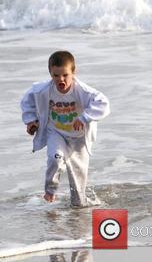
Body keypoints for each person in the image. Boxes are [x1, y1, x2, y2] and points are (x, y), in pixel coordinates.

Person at [20, 51, 110, 207]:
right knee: (55, 158)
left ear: (73, 73)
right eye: (55, 75)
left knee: (78, 188)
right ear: (50, 74)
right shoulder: (42, 89)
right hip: (56, 132)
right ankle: (50, 190)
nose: (60, 79)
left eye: (65, 75)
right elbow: (27, 102)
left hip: (79, 138)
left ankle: (78, 208)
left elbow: (103, 104)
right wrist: (30, 121)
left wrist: (84, 118)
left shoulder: (82, 90)